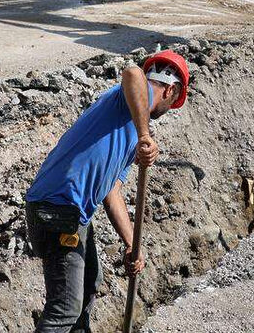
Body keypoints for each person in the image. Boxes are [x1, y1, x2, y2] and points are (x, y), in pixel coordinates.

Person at [24, 51, 189, 333]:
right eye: (172, 104)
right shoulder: (140, 97)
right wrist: (145, 134)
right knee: (65, 307)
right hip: (58, 208)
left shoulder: (128, 127)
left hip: (72, 212)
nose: (167, 111)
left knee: (90, 282)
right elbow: (132, 73)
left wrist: (130, 244)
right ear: (170, 90)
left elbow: (112, 191)